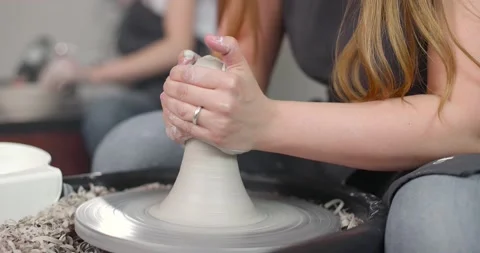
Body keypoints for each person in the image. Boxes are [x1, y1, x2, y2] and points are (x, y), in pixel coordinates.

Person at [94, 1, 480, 252]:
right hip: (335, 136)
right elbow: (234, 66)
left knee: (434, 222)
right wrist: (200, 100)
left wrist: (267, 122)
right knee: (133, 147)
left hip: (444, 151)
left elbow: (463, 122)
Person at [39, 0, 216, 155]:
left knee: (106, 114)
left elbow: (177, 47)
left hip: (179, 96)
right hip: (152, 92)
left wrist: (87, 74)